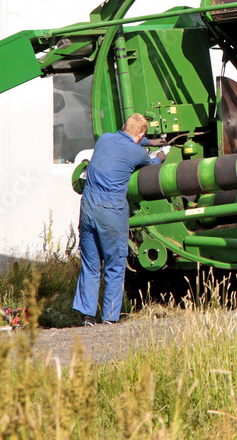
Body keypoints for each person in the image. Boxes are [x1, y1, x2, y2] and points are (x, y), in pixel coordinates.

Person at [73, 113, 169, 326]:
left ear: (124, 126)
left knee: (90, 263)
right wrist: (161, 153)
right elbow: (151, 163)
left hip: (88, 207)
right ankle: (110, 318)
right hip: (111, 209)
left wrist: (149, 141)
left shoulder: (105, 138)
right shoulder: (137, 153)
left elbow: (130, 137)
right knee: (115, 265)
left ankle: (87, 317)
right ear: (141, 133)